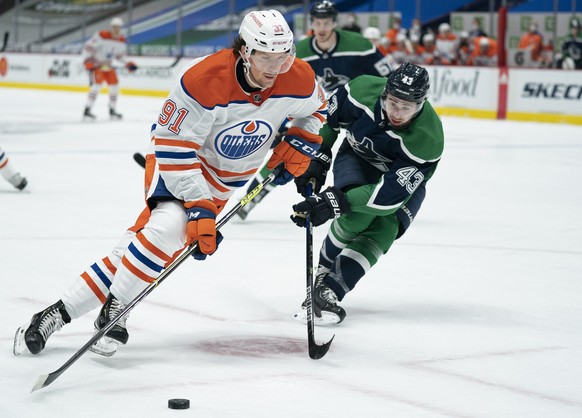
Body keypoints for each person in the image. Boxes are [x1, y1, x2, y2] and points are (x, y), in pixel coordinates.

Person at [13, 9, 327, 357]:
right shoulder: (203, 79)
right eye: (266, 57)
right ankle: (116, 310)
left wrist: (303, 141)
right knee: (167, 230)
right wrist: (199, 207)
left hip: (226, 182)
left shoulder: (296, 77)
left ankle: (54, 315)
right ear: (244, 51)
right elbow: (174, 147)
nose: (274, 68)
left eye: (283, 57)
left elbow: (317, 109)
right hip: (176, 163)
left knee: (135, 252)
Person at [290, 63, 444, 324]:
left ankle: (330, 289)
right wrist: (319, 154)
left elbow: (387, 196)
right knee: (355, 219)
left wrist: (332, 203)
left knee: (385, 230)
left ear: (421, 105)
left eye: (407, 108)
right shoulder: (359, 91)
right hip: (358, 158)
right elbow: (328, 119)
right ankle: (322, 273)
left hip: (398, 182)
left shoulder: (427, 139)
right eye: (393, 102)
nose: (397, 112)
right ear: (384, 93)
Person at [237, 0, 393, 220]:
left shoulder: (360, 45)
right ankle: (252, 196)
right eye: (317, 22)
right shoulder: (299, 51)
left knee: (376, 150)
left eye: (326, 22)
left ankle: (381, 198)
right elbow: (284, 89)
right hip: (318, 114)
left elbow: (388, 77)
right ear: (311, 23)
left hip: (356, 112)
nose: (321, 28)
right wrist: (282, 124)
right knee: (290, 152)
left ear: (334, 23)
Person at [82, 17, 138, 120]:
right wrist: (87, 61)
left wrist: (128, 63)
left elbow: (120, 56)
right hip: (97, 65)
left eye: (118, 27)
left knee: (114, 87)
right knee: (96, 87)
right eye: (115, 27)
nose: (116, 29)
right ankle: (87, 110)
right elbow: (88, 48)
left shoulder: (121, 40)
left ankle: (112, 110)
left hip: (108, 66)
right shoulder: (101, 36)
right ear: (111, 27)